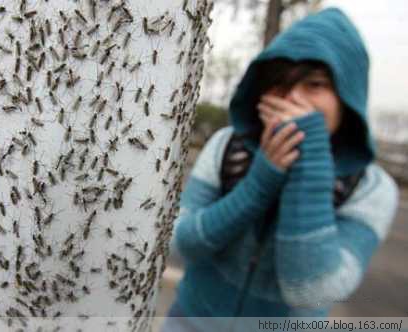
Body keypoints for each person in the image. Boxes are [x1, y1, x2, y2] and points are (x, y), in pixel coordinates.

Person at [161, 7, 399, 332]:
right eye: (278, 84)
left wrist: (309, 161)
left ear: (347, 96)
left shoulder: (372, 188)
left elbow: (312, 289)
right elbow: (181, 243)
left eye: (314, 85)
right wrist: (259, 182)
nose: (293, 100)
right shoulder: (227, 145)